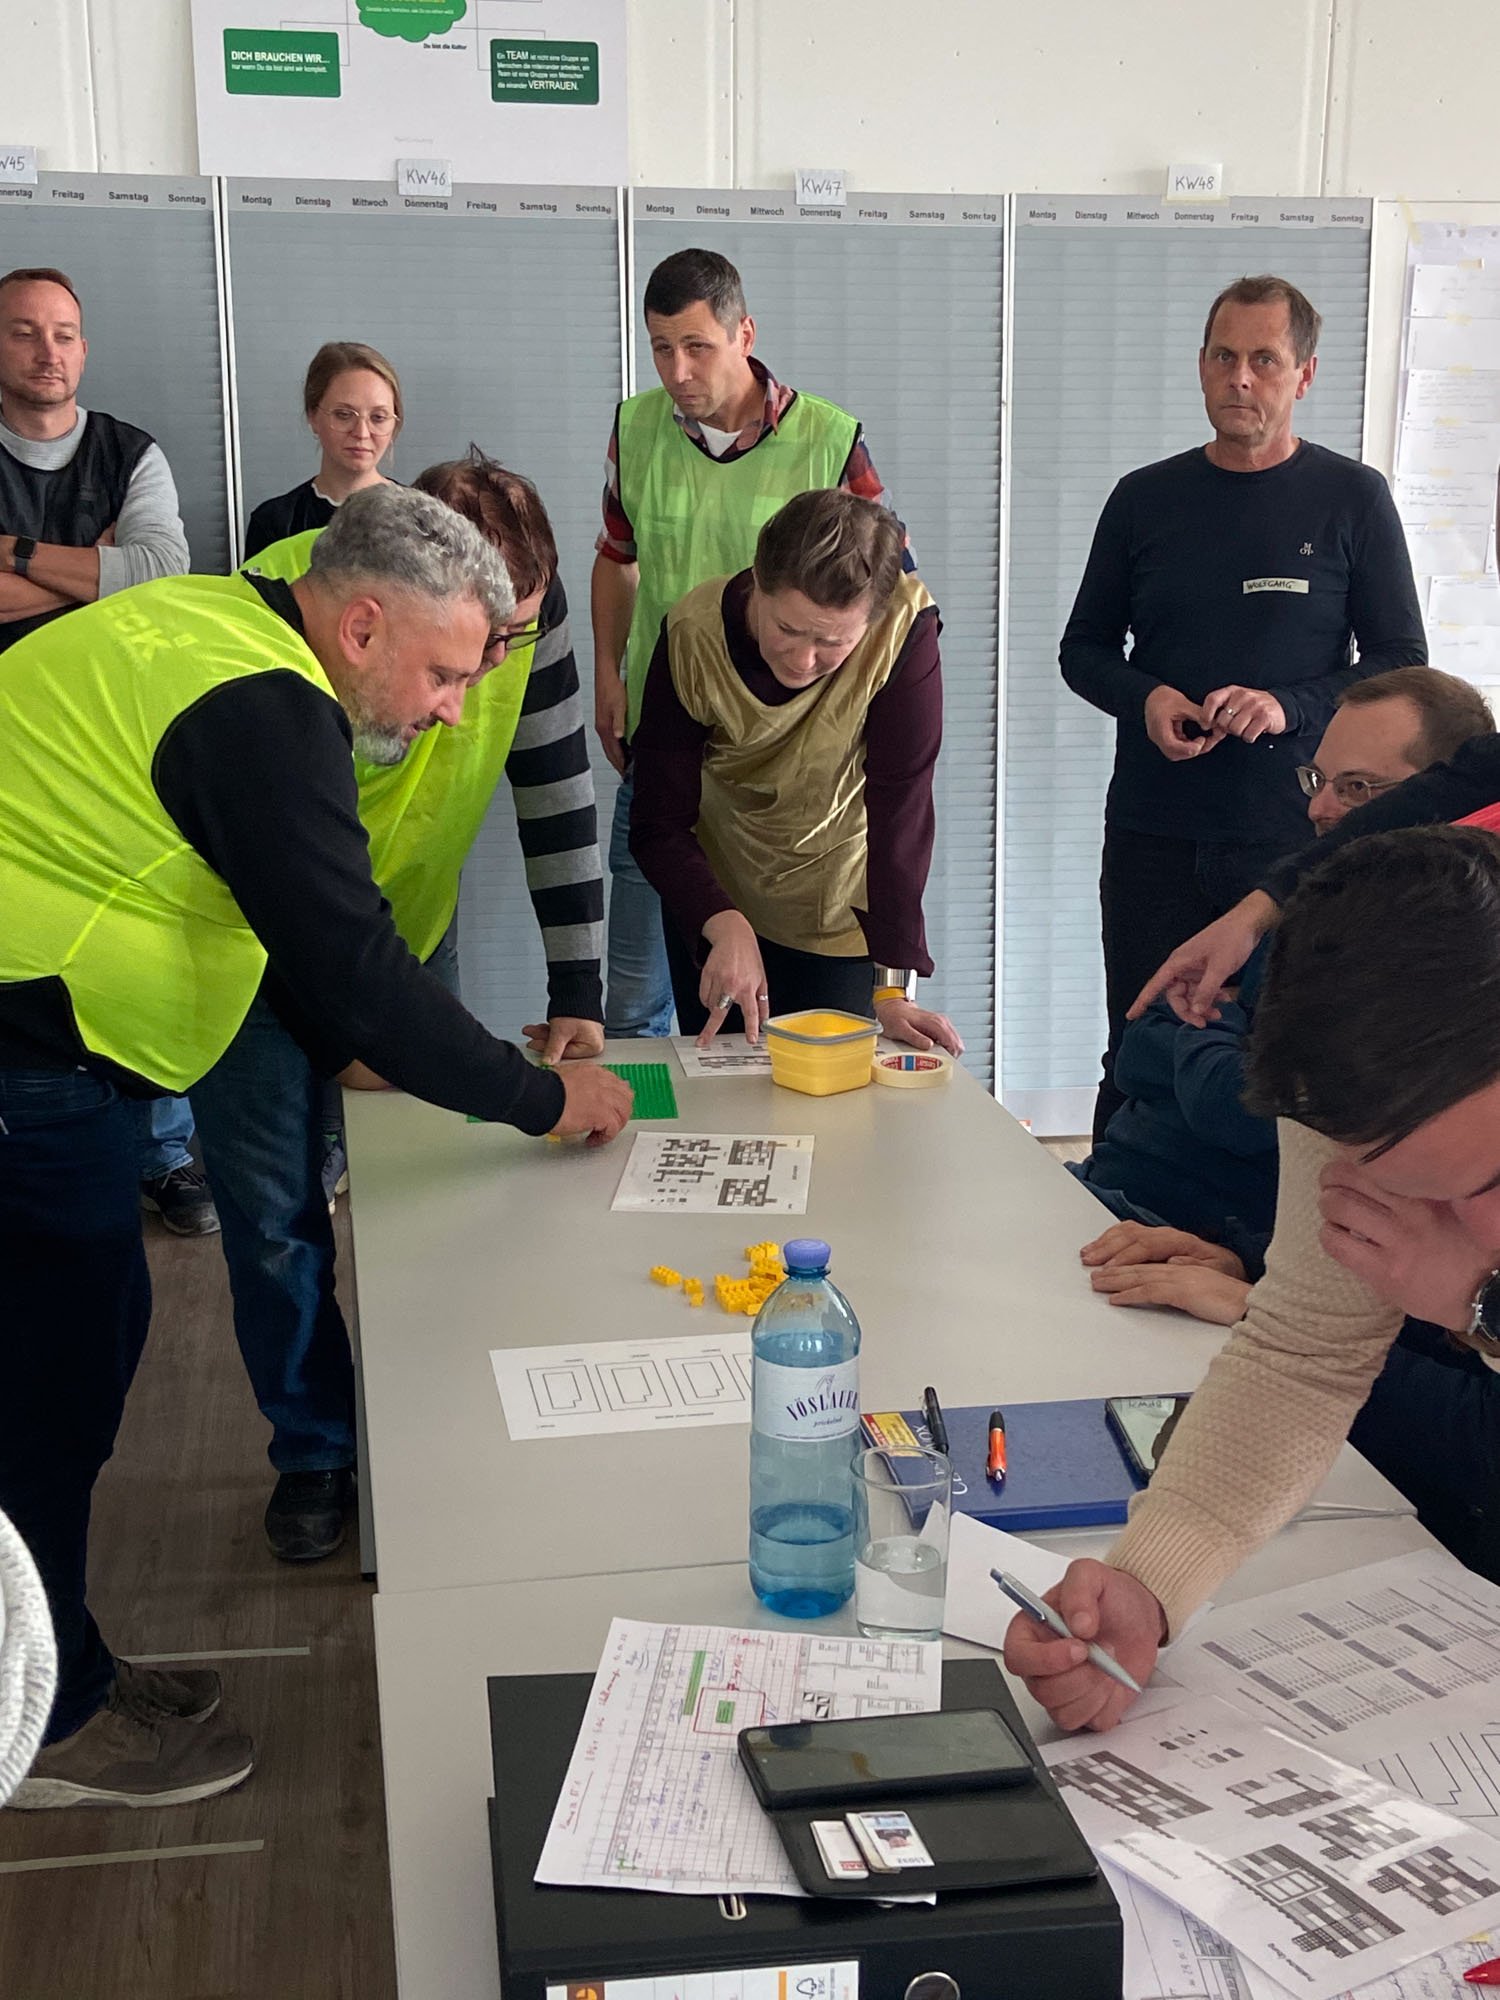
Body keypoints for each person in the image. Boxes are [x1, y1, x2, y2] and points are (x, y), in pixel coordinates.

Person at [0, 485, 631, 1809]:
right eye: (445, 674)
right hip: (26, 1053)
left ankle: (65, 1662)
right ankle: (46, 1720)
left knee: (80, 1348)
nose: (454, 709)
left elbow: (271, 916)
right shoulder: (268, 713)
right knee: (53, 1379)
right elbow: (356, 963)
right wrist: (541, 1098)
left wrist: (348, 1034)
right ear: (360, 627)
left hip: (51, 1049)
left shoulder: (221, 627)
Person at [195, 450, 604, 1563]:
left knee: (426, 1193)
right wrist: (350, 1032)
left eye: (512, 637)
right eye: (476, 643)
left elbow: (556, 789)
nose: (486, 676)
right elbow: (279, 894)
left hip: (401, 937)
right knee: (275, 1218)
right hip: (244, 951)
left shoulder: (530, 609)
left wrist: (578, 989)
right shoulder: (286, 609)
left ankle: (438, 1427)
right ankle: (314, 1448)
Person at [1005, 823, 1500, 1734]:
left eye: (1470, 1189)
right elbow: (1303, 1354)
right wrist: (1151, 1584)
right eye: (1386, 1183)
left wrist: (1483, 1305)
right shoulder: (1354, 1077)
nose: (1409, 1222)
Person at [1060, 273, 1426, 1143]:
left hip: (1289, 836)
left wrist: (1287, 707)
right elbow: (1082, 651)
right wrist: (1147, 697)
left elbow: (1401, 660)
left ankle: (1258, 1225)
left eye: (1264, 360)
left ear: (1304, 374)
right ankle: (1118, 1197)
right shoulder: (1144, 499)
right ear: (1200, 365)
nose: (1240, 378)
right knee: (1140, 1044)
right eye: (1224, 357)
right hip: (1155, 834)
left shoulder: (1352, 498)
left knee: (1280, 1060)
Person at [1078, 667, 1494, 1326]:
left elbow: (1249, 1111)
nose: (1320, 809)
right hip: (1126, 1213)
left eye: (1357, 788)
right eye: (1316, 780)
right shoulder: (1299, 900)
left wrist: (1214, 1028)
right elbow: (1138, 1048)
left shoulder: (1443, 963)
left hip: (1194, 1243)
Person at [592, 247, 910, 1038]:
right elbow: (617, 557)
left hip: (788, 766)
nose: (677, 370)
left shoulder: (829, 439)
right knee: (634, 1000)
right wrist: (607, 672)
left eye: (697, 346)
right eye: (661, 347)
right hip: (668, 741)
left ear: (744, 334)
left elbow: (889, 594)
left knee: (769, 1010)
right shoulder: (635, 429)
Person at [0, 264, 214, 1237]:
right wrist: (93, 569)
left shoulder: (131, 452)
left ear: (84, 348)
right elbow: (126, 574)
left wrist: (12, 554)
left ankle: (164, 1150)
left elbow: (163, 572)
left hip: (111, 740)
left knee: (140, 931)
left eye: (63, 333)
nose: (47, 351)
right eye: (24, 332)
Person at [630, 488, 961, 1054]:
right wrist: (720, 918)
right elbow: (657, 822)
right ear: (757, 581)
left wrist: (892, 989)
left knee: (831, 1092)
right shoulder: (693, 633)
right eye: (786, 629)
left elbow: (900, 811)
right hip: (718, 890)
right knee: (723, 1082)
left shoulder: (902, 631)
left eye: (832, 642)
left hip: (837, 907)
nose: (803, 660)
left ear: (872, 620)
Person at [242, 340, 401, 560]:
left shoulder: (423, 518)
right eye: (344, 415)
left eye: (378, 417)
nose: (362, 433)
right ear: (313, 415)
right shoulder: (276, 522)